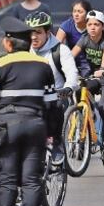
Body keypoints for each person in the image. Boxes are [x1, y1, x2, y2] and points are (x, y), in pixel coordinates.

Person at [0, 16, 61, 206]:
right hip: (36, 126)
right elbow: (52, 103)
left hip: (7, 127)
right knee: (32, 181)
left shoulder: (0, 64)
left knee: (7, 181)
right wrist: (52, 132)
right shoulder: (43, 66)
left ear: (9, 43)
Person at [26, 10, 78, 163]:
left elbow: (72, 73)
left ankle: (57, 143)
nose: (33, 37)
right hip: (32, 98)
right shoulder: (24, 50)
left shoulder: (60, 50)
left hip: (57, 97)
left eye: (38, 32)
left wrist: (68, 88)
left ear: (48, 32)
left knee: (56, 107)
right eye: (30, 33)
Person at [70, 10, 104, 154]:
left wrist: (103, 68)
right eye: (89, 24)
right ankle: (87, 122)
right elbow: (72, 54)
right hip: (94, 77)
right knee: (79, 92)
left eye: (96, 24)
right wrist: (64, 67)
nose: (92, 27)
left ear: (103, 27)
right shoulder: (84, 38)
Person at [56, 0, 92, 73]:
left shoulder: (93, 25)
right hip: (71, 62)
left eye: (80, 12)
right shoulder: (67, 25)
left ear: (87, 14)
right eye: (74, 11)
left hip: (90, 63)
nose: (76, 14)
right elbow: (56, 46)